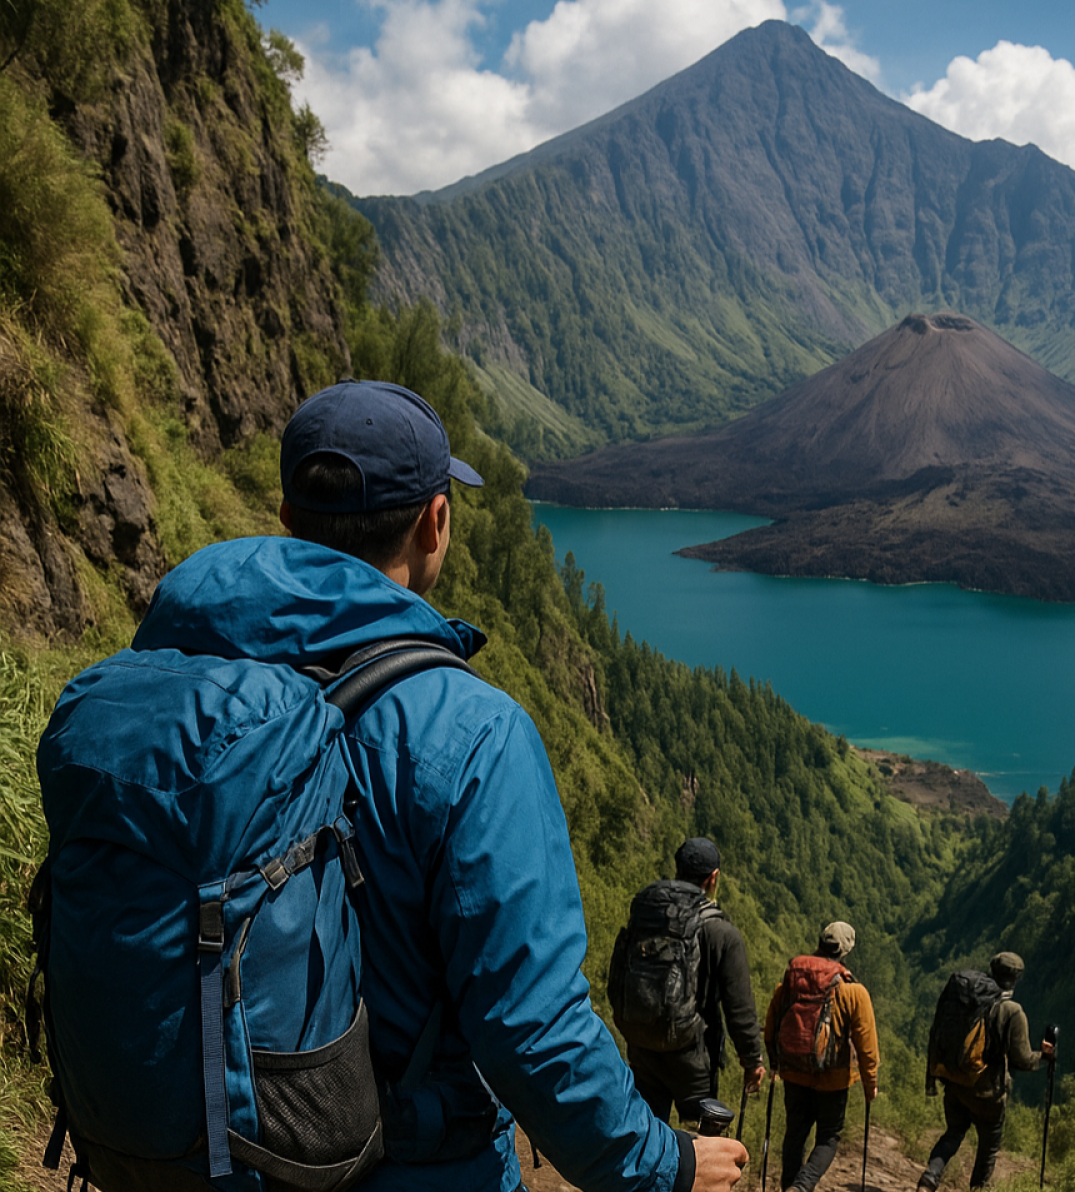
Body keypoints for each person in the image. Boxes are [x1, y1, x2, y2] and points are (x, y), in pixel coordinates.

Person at [46, 379, 748, 1192]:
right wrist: (666, 1165)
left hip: (181, 1151)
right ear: (434, 522)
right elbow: (533, 1030)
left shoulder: (170, 680)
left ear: (287, 520)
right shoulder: (470, 731)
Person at [613, 837, 766, 1125]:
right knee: (700, 1143)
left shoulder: (649, 914)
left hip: (643, 1044)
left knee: (646, 1131)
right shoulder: (721, 932)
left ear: (678, 869)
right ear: (713, 878)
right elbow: (739, 1007)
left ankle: (645, 1170)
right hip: (692, 1054)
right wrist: (752, 1060)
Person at [917, 952, 1054, 1191]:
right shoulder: (1011, 1011)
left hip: (956, 1082)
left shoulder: (968, 997)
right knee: (988, 1146)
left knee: (954, 1132)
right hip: (987, 1094)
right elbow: (1021, 1059)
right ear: (1017, 978)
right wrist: (1044, 1057)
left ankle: (930, 1177)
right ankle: (977, 1188)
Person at [763, 921, 878, 1192]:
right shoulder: (853, 992)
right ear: (846, 951)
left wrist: (774, 1062)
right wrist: (870, 1081)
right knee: (828, 1137)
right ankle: (801, 1188)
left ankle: (790, 1187)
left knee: (795, 1135)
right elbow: (867, 1045)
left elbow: (771, 1025)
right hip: (834, 1080)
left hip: (793, 1072)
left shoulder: (791, 982)